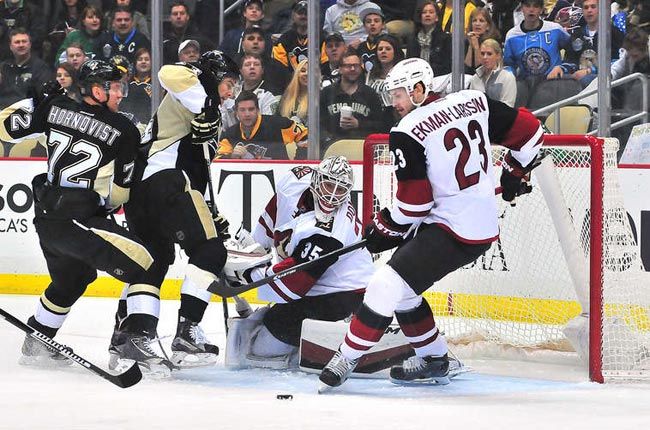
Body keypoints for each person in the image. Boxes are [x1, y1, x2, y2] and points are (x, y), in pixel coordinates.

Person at [319, 57, 545, 389]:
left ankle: (346, 358)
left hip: (453, 229)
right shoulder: (474, 101)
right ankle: (435, 358)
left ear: (419, 89)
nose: (394, 103)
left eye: (398, 94)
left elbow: (415, 203)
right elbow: (532, 131)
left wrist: (385, 227)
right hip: (475, 224)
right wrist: (515, 170)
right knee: (404, 291)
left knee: (385, 283)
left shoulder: (407, 130)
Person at [0, 59, 168, 371]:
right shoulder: (124, 129)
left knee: (72, 280)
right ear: (96, 90)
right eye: (115, 87)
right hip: (79, 220)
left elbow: (5, 128)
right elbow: (121, 193)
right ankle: (133, 339)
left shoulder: (54, 107)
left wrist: (36, 103)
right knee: (147, 263)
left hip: (47, 219)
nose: (121, 93)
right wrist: (107, 207)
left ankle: (37, 342)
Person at [110, 50, 238, 369]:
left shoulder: (206, 108)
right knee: (210, 252)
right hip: (165, 181)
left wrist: (209, 209)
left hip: (143, 192)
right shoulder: (193, 89)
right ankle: (187, 333)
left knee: (152, 261)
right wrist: (207, 103)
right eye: (228, 83)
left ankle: (130, 336)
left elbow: (197, 167)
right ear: (213, 76)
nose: (231, 92)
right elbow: (167, 72)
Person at [222, 156, 373, 369]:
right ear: (316, 179)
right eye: (329, 185)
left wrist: (248, 275)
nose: (332, 196)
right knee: (270, 326)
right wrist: (254, 250)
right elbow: (272, 215)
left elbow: (291, 285)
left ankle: (318, 346)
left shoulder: (331, 234)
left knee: (263, 349)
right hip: (318, 289)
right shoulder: (294, 180)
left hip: (343, 296)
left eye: (340, 190)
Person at [320, 49, 385, 151]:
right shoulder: (327, 93)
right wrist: (328, 140)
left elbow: (381, 125)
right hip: (333, 148)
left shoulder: (370, 94)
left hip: (362, 147)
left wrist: (359, 124)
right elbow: (318, 124)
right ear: (340, 69)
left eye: (356, 65)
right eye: (348, 66)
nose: (353, 69)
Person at [217, 90, 308, 160]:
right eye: (242, 110)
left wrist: (298, 162)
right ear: (236, 112)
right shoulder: (229, 135)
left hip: (280, 177)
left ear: (258, 110)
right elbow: (218, 161)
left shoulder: (279, 125)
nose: (247, 114)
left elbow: (307, 136)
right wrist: (232, 156)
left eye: (251, 109)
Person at [503, 0, 570, 85]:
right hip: (527, 86)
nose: (531, 10)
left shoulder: (555, 29)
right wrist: (509, 77)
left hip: (554, 84)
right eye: (527, 6)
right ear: (522, 8)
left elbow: (573, 52)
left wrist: (562, 67)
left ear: (541, 9)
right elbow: (508, 65)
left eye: (536, 6)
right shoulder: (511, 36)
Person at [0, 29, 52, 107]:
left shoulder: (41, 68)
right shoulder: (3, 67)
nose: (21, 45)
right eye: (17, 42)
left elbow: (43, 97)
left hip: (27, 111)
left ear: (30, 44)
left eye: (24, 41)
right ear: (10, 46)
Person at [406, 0, 452, 76]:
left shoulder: (445, 39)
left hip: (439, 77)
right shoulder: (413, 39)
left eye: (431, 12)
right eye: (424, 12)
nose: (427, 15)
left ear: (437, 17)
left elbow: (448, 66)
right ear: (420, 17)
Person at [469, 38, 517, 107]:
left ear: (498, 56)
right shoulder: (475, 78)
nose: (485, 57)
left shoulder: (507, 77)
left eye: (489, 54)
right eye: (482, 53)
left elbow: (508, 105)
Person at [119, 46, 151, 123]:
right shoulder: (126, 84)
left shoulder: (158, 84)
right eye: (140, 59)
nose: (143, 62)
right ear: (135, 63)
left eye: (147, 59)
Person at [464, 8, 501, 74]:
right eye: (474, 21)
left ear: (488, 26)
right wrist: (470, 46)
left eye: (481, 21)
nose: (477, 24)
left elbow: (481, 69)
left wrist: (476, 47)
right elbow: (466, 68)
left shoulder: (493, 41)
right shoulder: (468, 40)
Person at [278, 58, 308, 125]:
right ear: (297, 74)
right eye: (303, 71)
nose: (307, 74)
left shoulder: (320, 98)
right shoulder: (285, 97)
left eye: (311, 71)